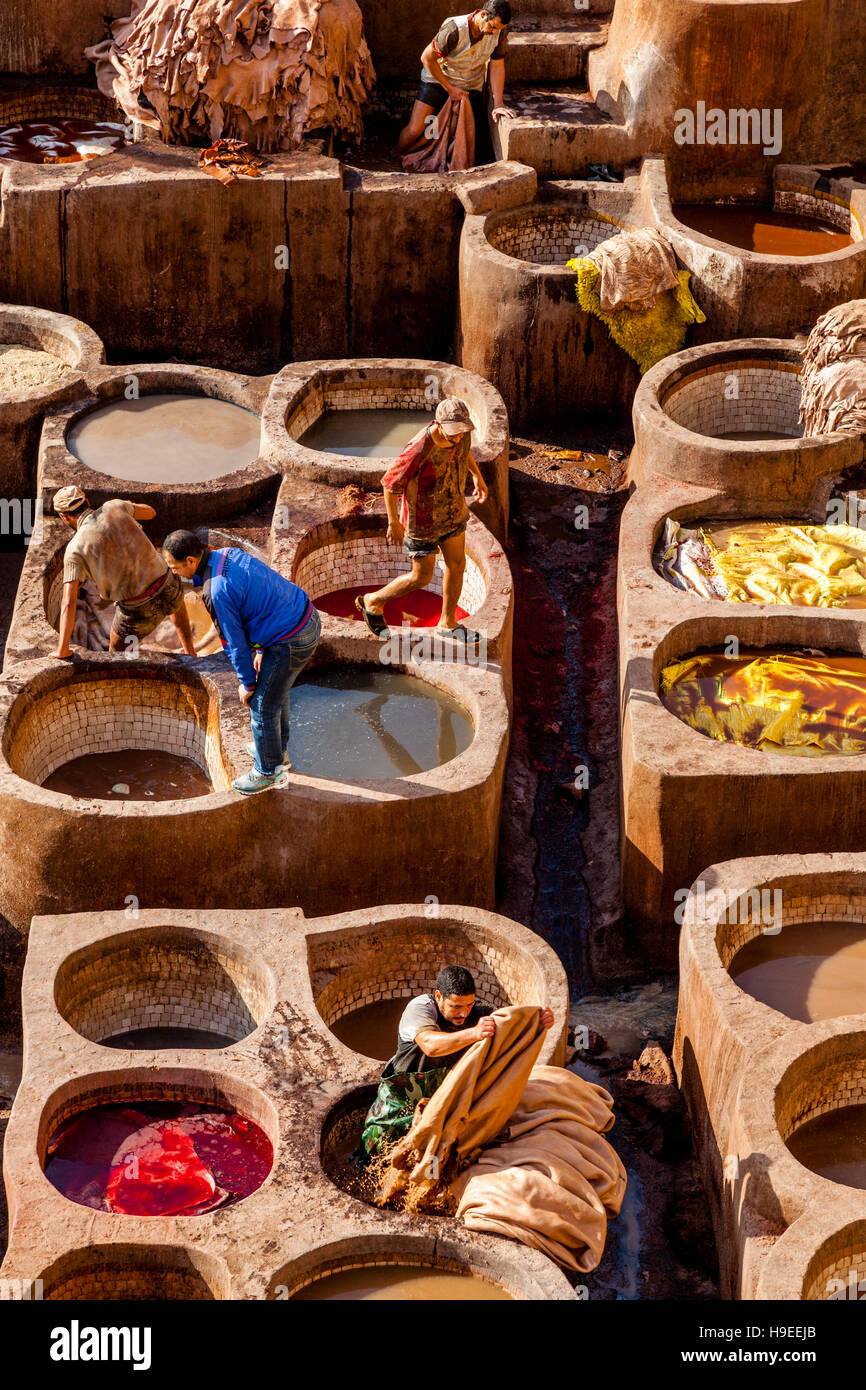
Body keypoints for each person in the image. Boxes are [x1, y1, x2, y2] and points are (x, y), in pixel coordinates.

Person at [161, 531, 321, 795]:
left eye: (174, 567)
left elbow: (234, 643)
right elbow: (265, 593)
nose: (175, 573)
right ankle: (275, 750)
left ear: (190, 561)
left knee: (261, 703)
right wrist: (262, 650)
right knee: (275, 693)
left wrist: (246, 683)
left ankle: (268, 772)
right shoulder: (228, 555)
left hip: (291, 638)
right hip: (304, 617)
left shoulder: (216, 591)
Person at [361, 963, 554, 1156]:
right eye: (456, 1006)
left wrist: (538, 1020)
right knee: (375, 1152)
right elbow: (430, 1045)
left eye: (469, 1005)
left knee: (425, 1159)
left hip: (437, 1107)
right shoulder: (420, 1009)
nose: (463, 1013)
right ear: (438, 997)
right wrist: (474, 1033)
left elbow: (512, 1023)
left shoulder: (480, 1013)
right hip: (399, 1105)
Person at [355, 396, 488, 646]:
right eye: (453, 432)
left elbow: (464, 451)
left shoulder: (461, 433)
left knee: (457, 565)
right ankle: (373, 601)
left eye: (462, 431)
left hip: (453, 512)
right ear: (438, 423)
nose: (458, 437)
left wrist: (477, 476)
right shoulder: (419, 447)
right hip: (421, 523)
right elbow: (389, 484)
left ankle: (448, 624)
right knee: (421, 577)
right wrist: (393, 522)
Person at [53, 486, 195, 660]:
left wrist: (62, 650)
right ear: (88, 502)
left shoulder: (74, 549)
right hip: (169, 585)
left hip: (137, 610)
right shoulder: (114, 506)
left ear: (64, 517)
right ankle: (190, 652)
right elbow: (151, 512)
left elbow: (68, 602)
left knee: (115, 653)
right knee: (174, 598)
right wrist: (128, 505)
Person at [396, 1, 515, 161]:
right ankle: (395, 156)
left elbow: (497, 65)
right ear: (483, 15)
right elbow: (426, 58)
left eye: (498, 29)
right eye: (492, 27)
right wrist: (449, 88)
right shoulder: (455, 29)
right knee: (416, 129)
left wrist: (498, 103)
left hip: (470, 84)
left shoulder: (499, 32)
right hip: (439, 80)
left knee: (466, 136)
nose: (495, 32)